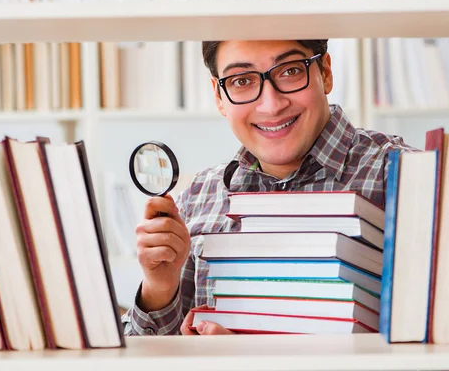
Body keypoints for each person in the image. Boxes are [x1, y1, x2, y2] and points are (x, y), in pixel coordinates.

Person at [121, 39, 415, 336]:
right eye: (242, 81)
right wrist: (158, 288)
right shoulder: (198, 197)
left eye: (290, 71)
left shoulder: (408, 178)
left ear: (325, 72)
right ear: (219, 96)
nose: (271, 105)